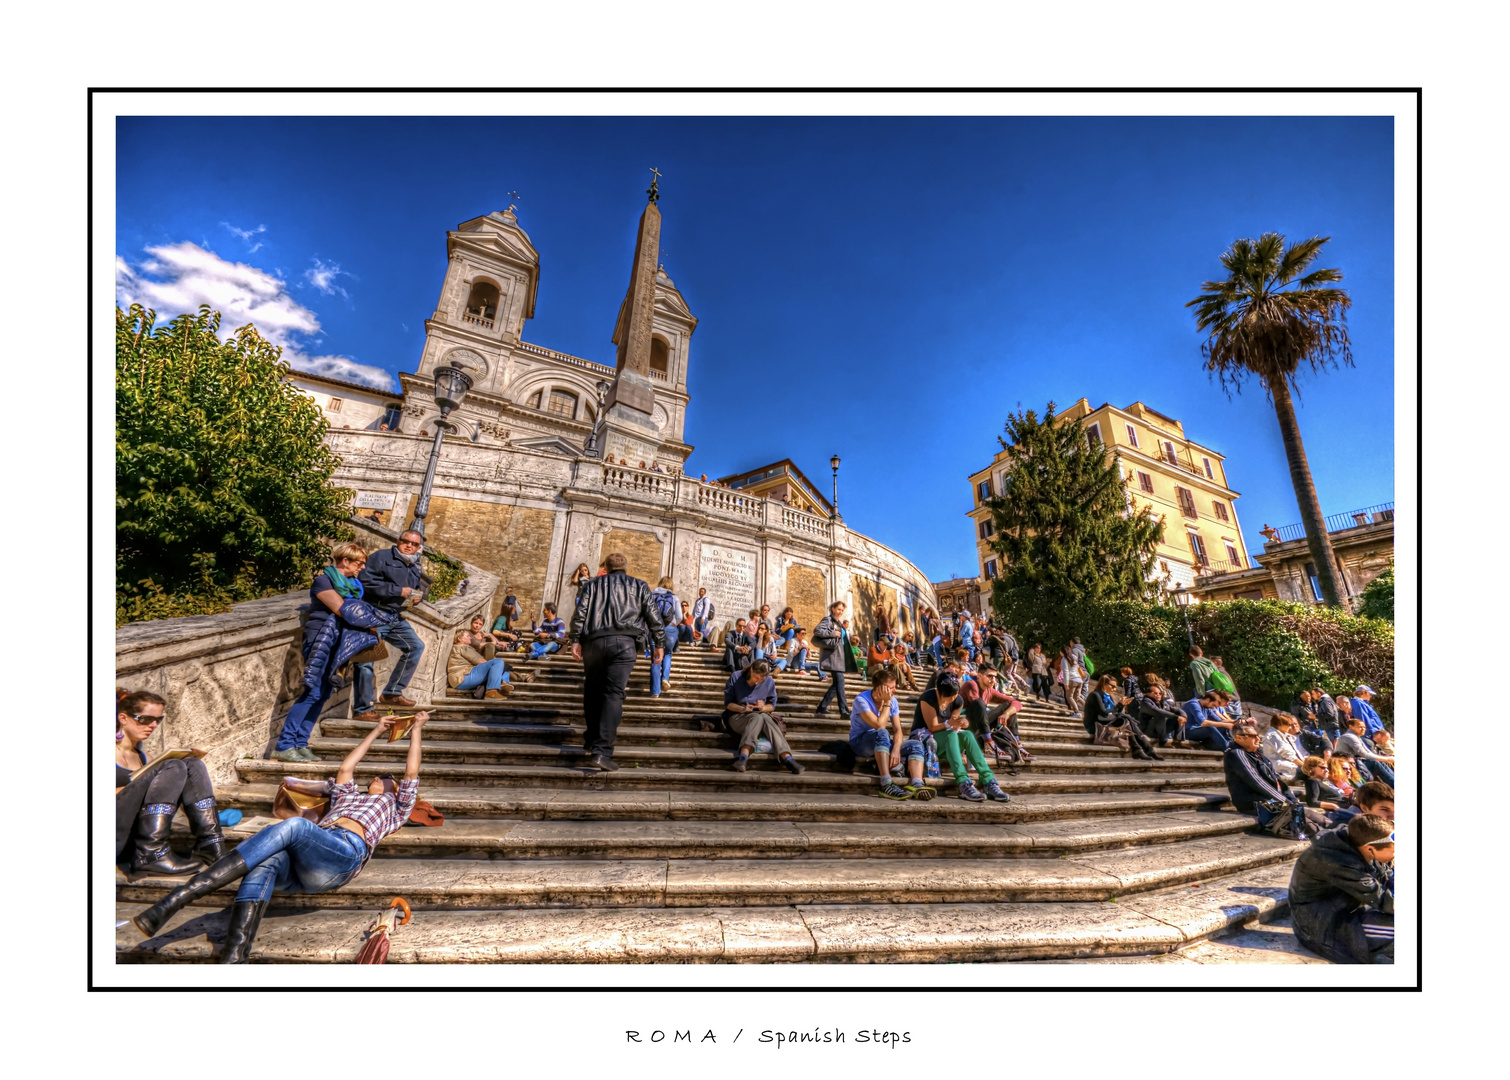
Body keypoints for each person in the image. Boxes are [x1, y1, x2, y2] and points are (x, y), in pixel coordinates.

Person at [133, 711, 431, 963]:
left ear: (395, 790)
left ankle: (179, 897)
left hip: (343, 857)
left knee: (295, 826)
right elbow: (345, 767)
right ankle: (235, 955)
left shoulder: (395, 808)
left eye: (386, 779)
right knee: (267, 860)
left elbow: (411, 772)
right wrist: (376, 730)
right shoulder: (347, 797)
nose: (378, 778)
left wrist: (416, 728)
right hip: (308, 857)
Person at [280, 541, 381, 758]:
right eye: (359, 563)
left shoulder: (354, 586)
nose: (362, 568)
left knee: (324, 693)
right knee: (312, 691)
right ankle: (285, 745)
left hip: (340, 642)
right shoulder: (323, 581)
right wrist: (369, 619)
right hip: (320, 638)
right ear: (345, 560)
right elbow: (344, 610)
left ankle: (301, 742)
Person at [568, 551, 667, 771]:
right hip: (624, 643)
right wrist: (659, 643)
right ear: (625, 567)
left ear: (607, 566)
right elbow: (654, 616)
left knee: (592, 690)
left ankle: (591, 739)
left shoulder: (591, 585)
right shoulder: (639, 586)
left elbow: (580, 613)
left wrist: (575, 639)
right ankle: (602, 751)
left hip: (594, 641)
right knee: (613, 694)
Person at [115, 689, 225, 875]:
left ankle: (210, 842)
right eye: (145, 719)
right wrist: (141, 787)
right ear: (123, 718)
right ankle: (151, 853)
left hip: (138, 829)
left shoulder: (144, 757)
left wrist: (188, 788)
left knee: (191, 763)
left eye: (158, 720)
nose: (152, 725)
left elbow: (162, 806)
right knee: (172, 766)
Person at [1287, 813, 1395, 964]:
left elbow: (1389, 878)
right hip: (1322, 927)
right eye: (1394, 850)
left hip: (1346, 912)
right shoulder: (1338, 861)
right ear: (1370, 849)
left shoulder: (1357, 842)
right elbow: (1384, 900)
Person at [912, 675, 1010, 802]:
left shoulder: (957, 700)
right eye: (949, 697)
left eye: (954, 696)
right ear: (939, 692)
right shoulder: (928, 698)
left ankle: (989, 781)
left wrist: (963, 723)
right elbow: (932, 727)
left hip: (946, 738)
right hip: (925, 739)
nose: (952, 700)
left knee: (967, 734)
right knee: (951, 735)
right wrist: (949, 724)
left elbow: (954, 723)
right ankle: (964, 782)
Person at [1224, 718, 1327, 836]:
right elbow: (1256, 781)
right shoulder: (1236, 754)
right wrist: (1284, 801)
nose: (1258, 739)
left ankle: (1337, 832)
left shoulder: (1258, 753)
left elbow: (1277, 779)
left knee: (1312, 815)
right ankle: (1329, 838)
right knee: (1305, 821)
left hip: (1273, 800)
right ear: (1239, 738)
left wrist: (1291, 799)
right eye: (1253, 736)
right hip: (1256, 803)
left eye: (1257, 735)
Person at [850, 667, 932, 800]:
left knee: (916, 745)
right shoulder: (861, 700)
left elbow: (898, 729)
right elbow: (879, 725)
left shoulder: (893, 701)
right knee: (882, 732)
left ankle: (917, 784)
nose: (895, 690)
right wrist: (887, 702)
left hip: (882, 742)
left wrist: (896, 749)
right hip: (860, 743)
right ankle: (886, 783)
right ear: (881, 688)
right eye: (891, 687)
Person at [723, 659, 805, 774]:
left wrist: (763, 708)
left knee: (763, 716)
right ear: (751, 670)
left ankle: (787, 758)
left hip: (760, 716)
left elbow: (772, 706)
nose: (758, 681)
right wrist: (743, 708)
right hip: (738, 717)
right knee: (759, 717)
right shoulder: (736, 677)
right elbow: (728, 704)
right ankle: (744, 756)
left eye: (762, 678)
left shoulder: (769, 682)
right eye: (756, 677)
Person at [1082, 674, 1162, 760]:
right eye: (1112, 686)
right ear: (1103, 684)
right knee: (1126, 721)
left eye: (1115, 687)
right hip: (1095, 725)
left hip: (1106, 721)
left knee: (1127, 720)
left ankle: (1141, 750)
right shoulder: (1095, 695)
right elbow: (1105, 713)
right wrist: (1119, 705)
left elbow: (1115, 713)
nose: (1114, 689)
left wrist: (1122, 705)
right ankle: (1144, 750)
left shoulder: (1108, 697)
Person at [812, 601, 857, 717]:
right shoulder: (828, 620)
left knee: (837, 683)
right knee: (840, 682)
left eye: (842, 610)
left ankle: (822, 707)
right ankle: (844, 711)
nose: (840, 612)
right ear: (833, 609)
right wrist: (833, 633)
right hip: (832, 656)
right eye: (838, 609)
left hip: (839, 656)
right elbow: (817, 631)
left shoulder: (839, 623)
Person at [447, 629, 510, 699]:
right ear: (459, 638)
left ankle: (501, 684)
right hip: (462, 678)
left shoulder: (458, 648)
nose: (470, 637)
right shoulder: (462, 647)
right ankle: (492, 692)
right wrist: (496, 670)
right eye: (467, 636)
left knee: (504, 669)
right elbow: (482, 662)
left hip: (460, 680)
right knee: (498, 662)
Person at [1335, 715, 1396, 787]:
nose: (1363, 729)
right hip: (1348, 764)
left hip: (1356, 762)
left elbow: (1368, 752)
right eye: (1360, 727)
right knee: (1374, 763)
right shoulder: (1349, 737)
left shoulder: (1356, 737)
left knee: (1378, 762)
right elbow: (1364, 754)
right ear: (1351, 727)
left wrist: (1386, 759)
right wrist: (1387, 759)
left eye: (1364, 727)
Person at [648, 576, 682, 697]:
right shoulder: (674, 597)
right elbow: (679, 617)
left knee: (656, 657)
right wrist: (673, 624)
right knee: (667, 654)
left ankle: (655, 691)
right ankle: (665, 678)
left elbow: (647, 613)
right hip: (670, 629)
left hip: (654, 628)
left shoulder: (652, 594)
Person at [1260, 712, 1307, 782]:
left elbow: (1295, 752)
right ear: (1280, 725)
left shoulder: (1283, 734)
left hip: (1289, 763)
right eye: (1289, 725)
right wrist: (1305, 767)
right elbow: (1288, 755)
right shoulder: (1273, 736)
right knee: (1306, 773)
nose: (1290, 727)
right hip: (1281, 764)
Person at [1138, 682, 1185, 747]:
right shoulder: (1145, 702)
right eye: (1155, 693)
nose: (1158, 695)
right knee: (1160, 715)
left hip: (1159, 729)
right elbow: (1157, 711)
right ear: (1148, 694)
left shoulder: (1162, 702)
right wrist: (1177, 717)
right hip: (1148, 730)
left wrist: (1183, 716)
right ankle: (1164, 741)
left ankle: (1178, 741)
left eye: (1160, 694)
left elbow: (1175, 709)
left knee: (1181, 717)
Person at [1057, 644, 1085, 715]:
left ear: (1062, 652)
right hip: (1079, 680)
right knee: (1077, 697)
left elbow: (1066, 672)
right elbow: (1077, 668)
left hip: (1072, 680)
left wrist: (1066, 683)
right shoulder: (1074, 657)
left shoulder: (1064, 660)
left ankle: (1076, 712)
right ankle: (1090, 708)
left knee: (1069, 696)